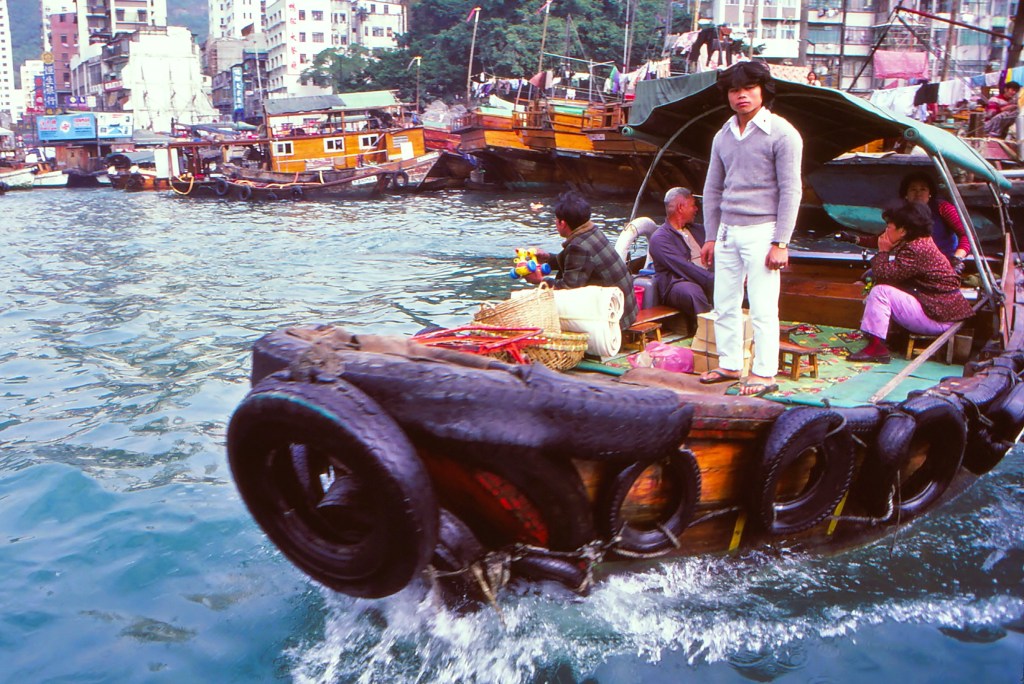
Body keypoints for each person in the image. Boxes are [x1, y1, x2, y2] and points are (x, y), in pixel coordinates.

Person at [697, 60, 804, 396]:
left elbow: (791, 190)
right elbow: (712, 188)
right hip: (727, 230)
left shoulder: (783, 133)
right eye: (734, 90)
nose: (741, 95)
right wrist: (710, 236)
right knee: (724, 304)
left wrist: (781, 242)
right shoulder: (722, 135)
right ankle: (729, 364)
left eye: (748, 88)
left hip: (763, 231)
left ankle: (764, 373)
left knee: (762, 307)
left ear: (763, 91)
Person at [847, 201, 974, 363]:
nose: (885, 231)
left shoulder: (915, 249)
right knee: (884, 290)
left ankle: (876, 349)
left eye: (889, 227)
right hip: (939, 311)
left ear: (903, 231)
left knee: (880, 292)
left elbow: (885, 275)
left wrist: (883, 251)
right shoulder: (920, 241)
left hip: (939, 319)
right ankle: (883, 338)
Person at [527, 191, 639, 330]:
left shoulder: (578, 247)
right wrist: (547, 258)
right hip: (628, 311)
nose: (555, 222)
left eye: (556, 219)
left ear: (562, 223)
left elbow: (568, 288)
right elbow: (574, 262)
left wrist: (540, 280)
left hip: (616, 320)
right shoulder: (592, 230)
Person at [836, 171, 970, 270]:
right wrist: (852, 239)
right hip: (913, 264)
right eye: (913, 189)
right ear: (906, 195)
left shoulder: (943, 208)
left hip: (945, 264)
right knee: (868, 277)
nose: (918, 193)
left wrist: (956, 259)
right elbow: (885, 239)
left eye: (923, 189)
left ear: (930, 193)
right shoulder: (903, 213)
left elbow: (967, 235)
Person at [648, 187, 713, 329]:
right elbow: (684, 267)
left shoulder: (699, 230)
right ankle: (706, 331)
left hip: (706, 276)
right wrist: (713, 280)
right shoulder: (660, 239)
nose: (696, 209)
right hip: (677, 283)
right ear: (680, 207)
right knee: (692, 292)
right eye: (693, 205)